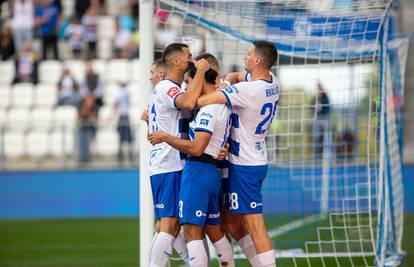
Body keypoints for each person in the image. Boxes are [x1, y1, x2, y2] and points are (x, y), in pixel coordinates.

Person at [198, 40, 280, 267]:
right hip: (251, 156)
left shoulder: (249, 90)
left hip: (245, 163)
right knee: (233, 222)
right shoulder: (272, 81)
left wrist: (218, 90)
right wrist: (226, 83)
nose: (245, 56)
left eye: (249, 54)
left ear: (257, 60)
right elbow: (235, 75)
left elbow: (202, 100)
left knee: (254, 224)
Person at [149, 53, 235, 267]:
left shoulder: (208, 109)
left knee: (187, 232)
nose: (187, 87)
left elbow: (197, 148)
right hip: (208, 171)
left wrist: (165, 137)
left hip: (196, 170)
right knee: (213, 230)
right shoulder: (218, 103)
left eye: (188, 81)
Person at [146, 43, 208, 267]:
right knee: (170, 226)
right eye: (188, 56)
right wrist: (201, 71)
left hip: (166, 163)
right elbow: (189, 103)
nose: (191, 60)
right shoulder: (167, 88)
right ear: (175, 62)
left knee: (170, 225)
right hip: (169, 163)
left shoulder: (168, 89)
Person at [113, 82, 133, 163]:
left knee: (122, 138)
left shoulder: (120, 92)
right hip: (125, 116)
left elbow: (115, 104)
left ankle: (121, 157)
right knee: (128, 138)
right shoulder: (127, 91)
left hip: (122, 116)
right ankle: (129, 156)